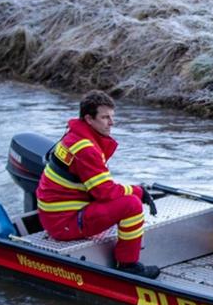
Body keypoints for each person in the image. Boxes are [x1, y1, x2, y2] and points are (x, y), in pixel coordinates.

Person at [35, 90, 160, 278]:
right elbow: (104, 191)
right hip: (64, 222)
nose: (112, 122)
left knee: (125, 198)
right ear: (89, 119)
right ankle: (128, 266)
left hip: (56, 214)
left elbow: (98, 186)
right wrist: (138, 192)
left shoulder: (74, 135)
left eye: (112, 117)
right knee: (131, 205)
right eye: (105, 117)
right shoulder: (86, 149)